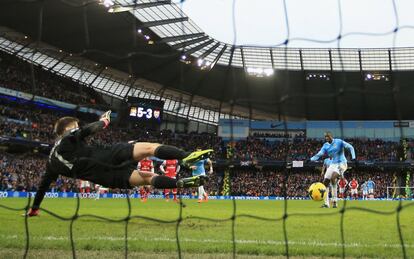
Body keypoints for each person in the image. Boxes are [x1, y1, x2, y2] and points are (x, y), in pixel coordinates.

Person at [26, 111, 212, 216]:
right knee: (148, 148)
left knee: (147, 178)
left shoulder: (51, 162)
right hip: (108, 154)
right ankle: (186, 156)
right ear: (65, 130)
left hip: (106, 177)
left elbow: (43, 186)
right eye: (74, 126)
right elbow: (87, 130)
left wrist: (34, 209)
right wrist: (104, 121)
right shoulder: (66, 140)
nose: (77, 127)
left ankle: (178, 184)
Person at [310, 132, 356, 208]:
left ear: (331, 136)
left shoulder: (339, 142)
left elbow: (350, 147)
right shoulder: (325, 145)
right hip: (333, 164)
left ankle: (334, 201)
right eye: (325, 137)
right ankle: (326, 203)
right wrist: (311, 159)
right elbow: (320, 153)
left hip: (342, 163)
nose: (326, 138)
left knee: (333, 177)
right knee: (325, 182)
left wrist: (353, 157)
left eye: (327, 136)